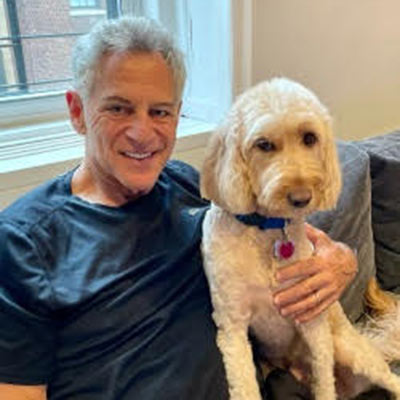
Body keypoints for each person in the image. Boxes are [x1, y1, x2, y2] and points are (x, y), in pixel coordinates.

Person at [0, 16, 357, 400]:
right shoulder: (24, 241)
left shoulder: (191, 186)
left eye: (160, 112)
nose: (142, 133)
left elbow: (289, 237)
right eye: (119, 109)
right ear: (77, 111)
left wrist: (341, 262)